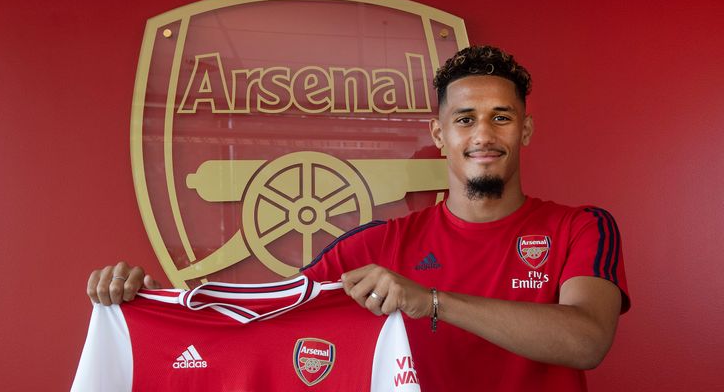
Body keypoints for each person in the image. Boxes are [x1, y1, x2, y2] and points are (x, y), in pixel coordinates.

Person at [87, 45, 629, 391]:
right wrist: (156, 311)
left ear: (525, 131)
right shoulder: (373, 247)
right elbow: (265, 328)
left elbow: (587, 340)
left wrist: (431, 301)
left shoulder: (582, 226)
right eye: (465, 119)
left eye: (501, 118)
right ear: (441, 136)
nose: (483, 135)